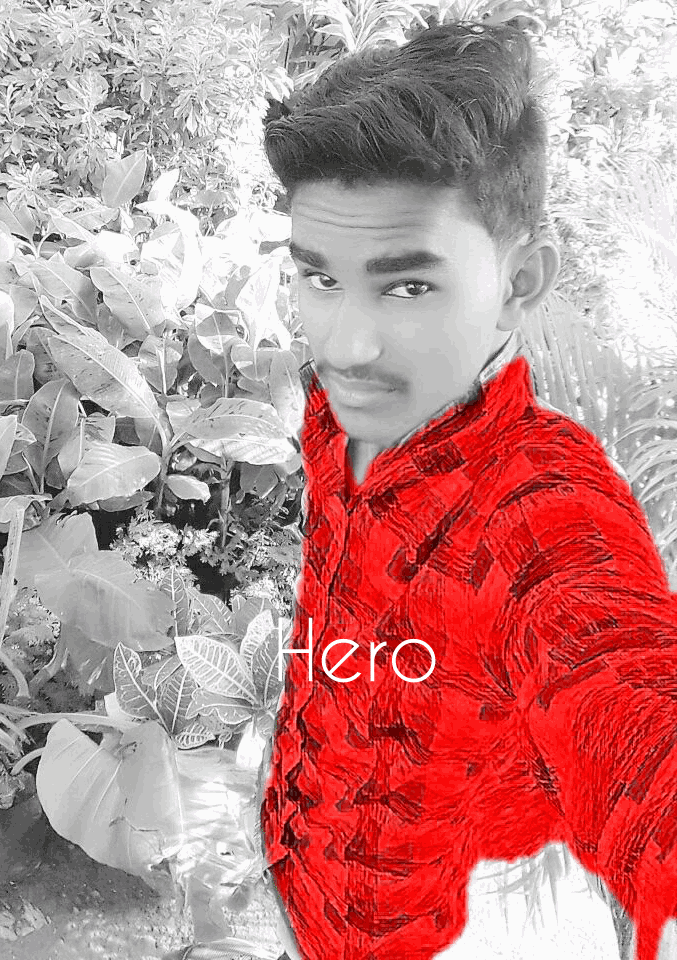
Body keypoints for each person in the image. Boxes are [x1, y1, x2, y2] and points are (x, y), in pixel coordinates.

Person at [258, 20, 677, 960]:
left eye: (408, 287)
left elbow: (633, 720)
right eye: (320, 277)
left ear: (520, 280)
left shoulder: (545, 515)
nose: (345, 344)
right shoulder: (343, 418)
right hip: (310, 904)